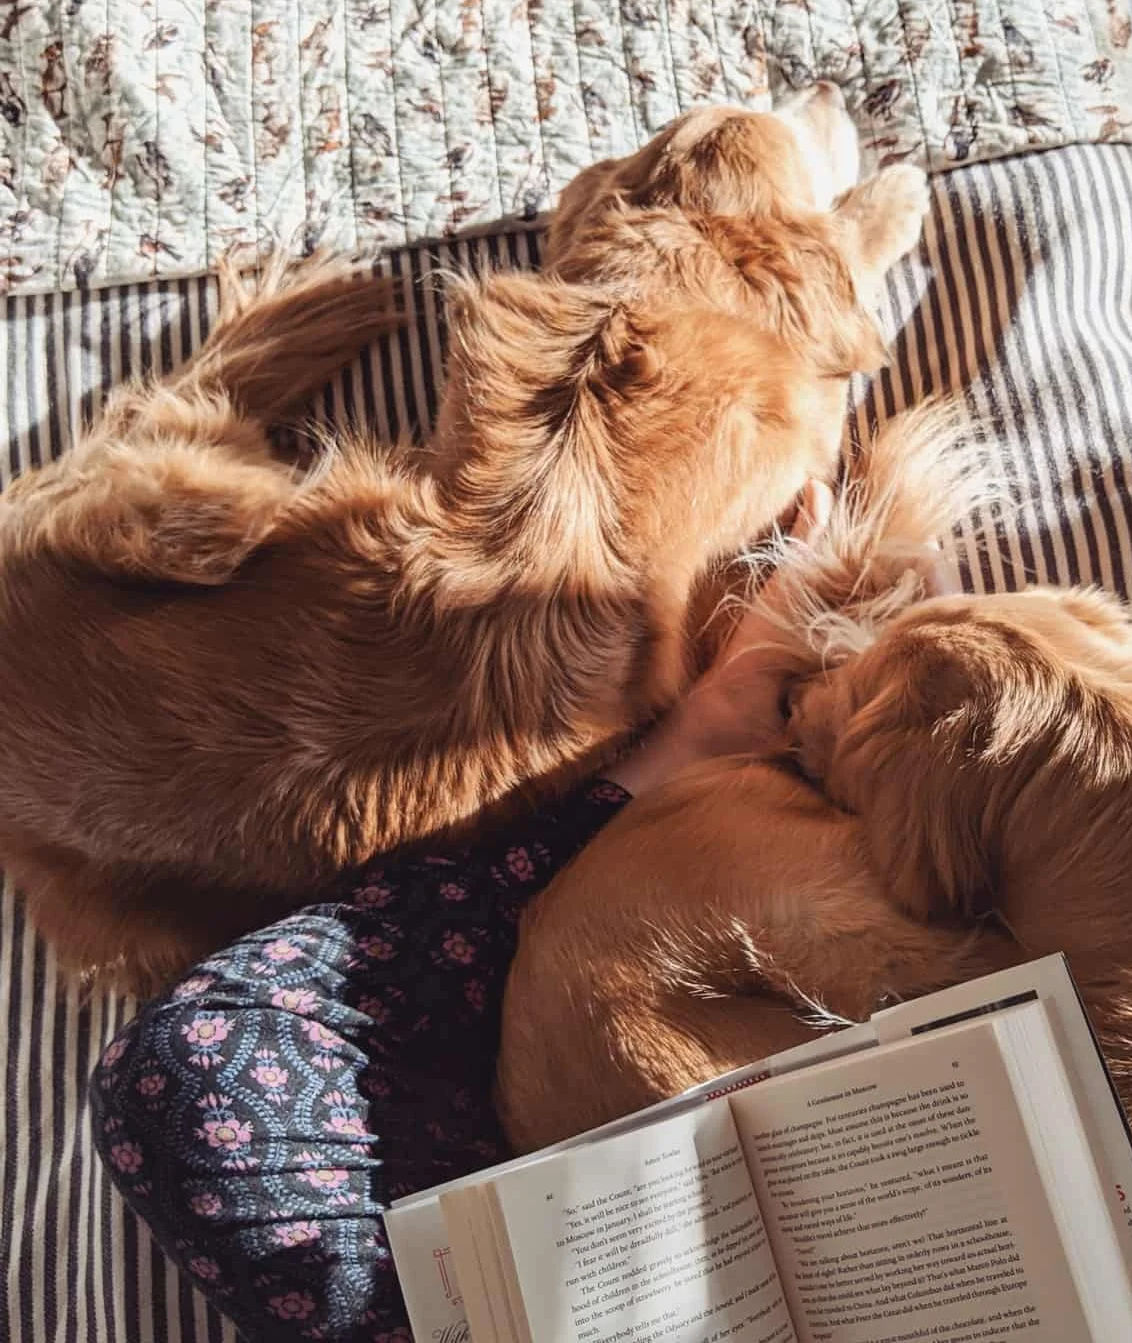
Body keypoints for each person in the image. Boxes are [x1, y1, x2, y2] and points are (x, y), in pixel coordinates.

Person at [91, 484, 836, 1343]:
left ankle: (701, 744)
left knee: (227, 1057)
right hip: (480, 1187)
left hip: (298, 1092)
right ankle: (702, 753)